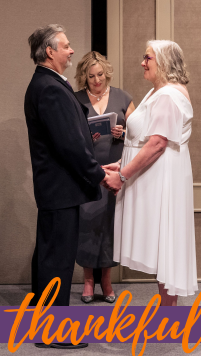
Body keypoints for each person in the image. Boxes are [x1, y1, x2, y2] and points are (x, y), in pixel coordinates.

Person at [23, 24, 114, 349]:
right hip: (60, 188)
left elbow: (69, 138)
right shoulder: (49, 88)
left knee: (50, 257)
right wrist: (100, 174)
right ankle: (54, 333)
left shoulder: (47, 84)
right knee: (57, 260)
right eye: (66, 45)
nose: (72, 50)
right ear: (50, 51)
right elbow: (69, 146)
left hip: (56, 188)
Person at [105, 40, 197, 307]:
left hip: (161, 178)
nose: (142, 63)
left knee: (165, 245)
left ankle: (169, 316)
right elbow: (142, 140)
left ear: (164, 63)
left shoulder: (168, 95)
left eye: (147, 58)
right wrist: (122, 164)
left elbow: (157, 144)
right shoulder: (159, 91)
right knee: (162, 247)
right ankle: (168, 314)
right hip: (152, 175)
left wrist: (122, 176)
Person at [73, 51, 135, 304]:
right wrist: (87, 138)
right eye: (91, 76)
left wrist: (124, 133)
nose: (96, 80)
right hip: (88, 171)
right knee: (86, 223)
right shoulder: (75, 99)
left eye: (100, 75)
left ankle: (106, 280)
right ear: (84, 77)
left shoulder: (122, 97)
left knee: (111, 224)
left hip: (116, 170)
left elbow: (142, 132)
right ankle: (88, 280)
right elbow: (69, 136)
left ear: (106, 73)